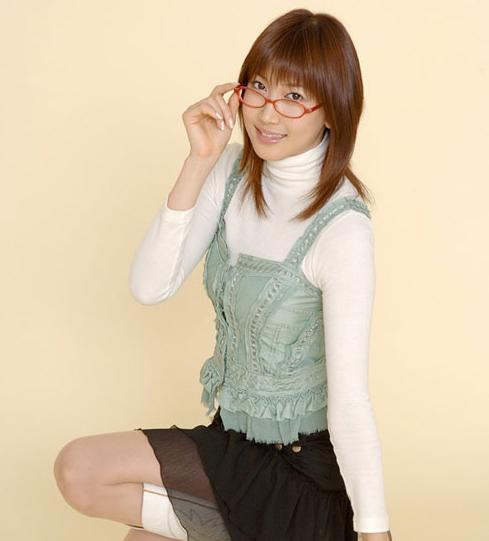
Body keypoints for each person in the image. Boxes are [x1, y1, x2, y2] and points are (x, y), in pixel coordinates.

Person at [53, 8, 393, 541]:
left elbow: (350, 400)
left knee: (94, 484)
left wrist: (375, 531)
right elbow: (150, 286)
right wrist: (199, 160)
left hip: (298, 474)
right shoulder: (231, 172)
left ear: (333, 110)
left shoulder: (342, 228)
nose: (268, 113)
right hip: (232, 445)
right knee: (98, 493)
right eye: (258, 87)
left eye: (295, 96)